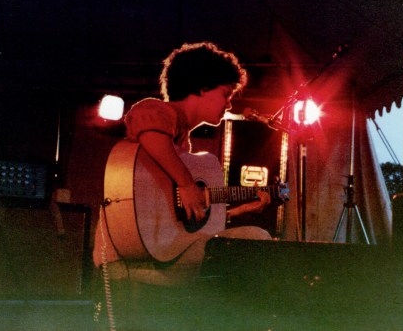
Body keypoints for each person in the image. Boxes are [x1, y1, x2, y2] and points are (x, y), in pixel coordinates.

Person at [93, 42, 272, 286]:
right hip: (129, 253)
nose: (229, 104)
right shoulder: (160, 110)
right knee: (256, 237)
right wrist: (187, 184)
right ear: (202, 87)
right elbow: (149, 128)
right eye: (225, 93)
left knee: (246, 239)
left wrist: (237, 211)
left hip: (156, 252)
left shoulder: (180, 147)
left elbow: (179, 222)